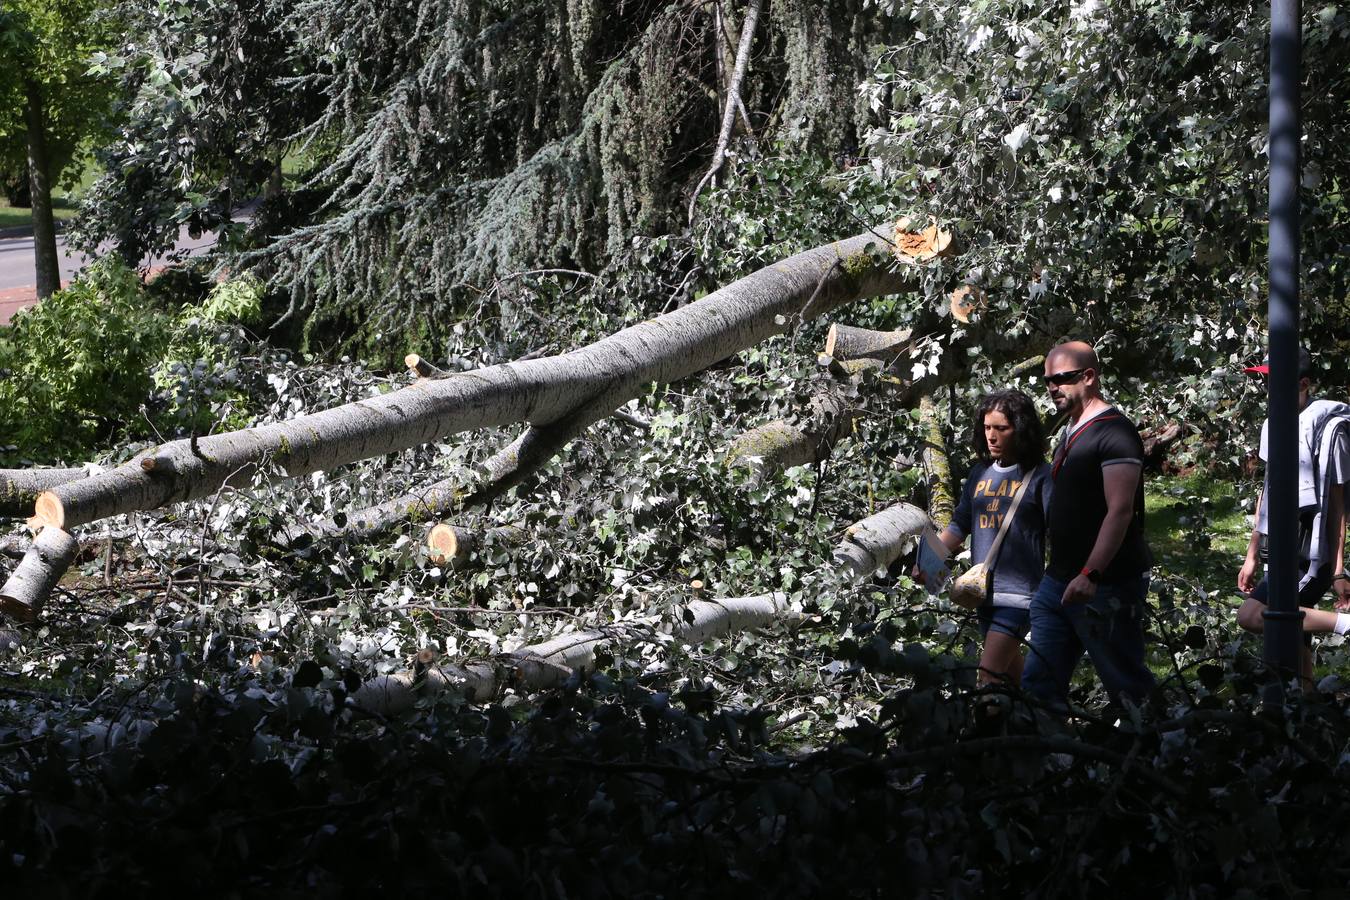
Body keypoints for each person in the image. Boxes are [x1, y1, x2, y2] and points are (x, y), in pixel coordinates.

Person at [1022, 341, 1155, 709]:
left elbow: (1120, 512)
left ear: (1089, 376)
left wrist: (1091, 573)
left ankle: (1153, 751)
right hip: (1058, 580)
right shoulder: (1070, 431)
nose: (1052, 388)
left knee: (1125, 682)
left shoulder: (1114, 433)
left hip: (1106, 584)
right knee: (1038, 681)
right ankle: (1048, 759)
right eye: (1048, 380)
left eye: (1062, 379)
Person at [1235, 347, 1350, 685]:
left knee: (1252, 615)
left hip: (1309, 555)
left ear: (1303, 383)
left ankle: (1346, 625)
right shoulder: (1274, 424)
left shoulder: (1333, 431)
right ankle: (1309, 713)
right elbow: (1269, 492)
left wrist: (1339, 569)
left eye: (1277, 382)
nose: (1269, 390)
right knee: (1295, 639)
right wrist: (1252, 555)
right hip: (1280, 548)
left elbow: (1339, 506)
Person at [927, 389, 1052, 685]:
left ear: (1020, 430)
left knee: (988, 676)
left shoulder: (1042, 476)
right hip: (982, 594)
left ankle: (984, 727)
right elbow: (959, 525)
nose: (991, 437)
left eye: (1001, 429)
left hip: (1018, 596)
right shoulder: (979, 473)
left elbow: (1060, 532)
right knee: (1011, 675)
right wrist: (929, 561)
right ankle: (1046, 721)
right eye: (987, 428)